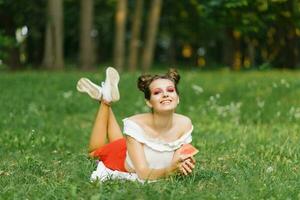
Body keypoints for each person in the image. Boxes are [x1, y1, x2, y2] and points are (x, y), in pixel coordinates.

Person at [77, 67, 196, 181]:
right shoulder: (135, 125)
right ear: (149, 102)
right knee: (94, 152)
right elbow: (143, 174)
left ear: (178, 98)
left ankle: (105, 97)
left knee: (118, 142)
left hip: (133, 148)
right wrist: (169, 171)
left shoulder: (185, 123)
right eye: (157, 92)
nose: (165, 94)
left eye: (170, 90)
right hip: (121, 158)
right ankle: (105, 101)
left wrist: (184, 163)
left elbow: (178, 160)